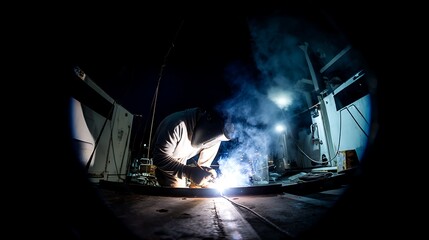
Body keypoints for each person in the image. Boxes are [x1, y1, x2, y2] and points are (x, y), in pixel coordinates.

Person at [151, 107, 234, 188]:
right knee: (177, 190)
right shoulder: (177, 125)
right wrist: (189, 172)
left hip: (183, 155)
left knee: (207, 188)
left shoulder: (217, 136)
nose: (209, 142)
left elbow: (204, 166)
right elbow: (159, 158)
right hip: (170, 158)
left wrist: (206, 174)